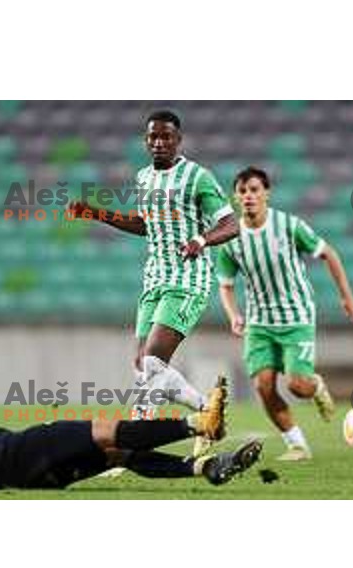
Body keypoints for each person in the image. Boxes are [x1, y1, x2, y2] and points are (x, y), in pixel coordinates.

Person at [69, 109, 239, 455]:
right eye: (153, 137)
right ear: (146, 141)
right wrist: (97, 213)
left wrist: (202, 240)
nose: (159, 142)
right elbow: (145, 224)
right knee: (143, 369)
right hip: (154, 279)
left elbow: (232, 224)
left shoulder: (197, 177)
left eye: (166, 137)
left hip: (188, 278)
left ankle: (133, 446)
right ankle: (206, 409)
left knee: (152, 364)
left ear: (178, 140)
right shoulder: (144, 177)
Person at [0, 352, 262, 492]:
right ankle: (198, 423)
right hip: (14, 452)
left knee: (118, 454)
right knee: (104, 429)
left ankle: (208, 467)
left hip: (20, 479)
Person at [217, 167, 353, 461]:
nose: (248, 196)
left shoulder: (288, 225)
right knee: (263, 386)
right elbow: (226, 285)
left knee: (298, 386)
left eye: (254, 190)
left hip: (296, 317)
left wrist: (346, 296)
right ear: (235, 197)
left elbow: (328, 253)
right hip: (259, 322)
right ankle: (297, 444)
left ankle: (316, 386)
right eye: (243, 191)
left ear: (266, 193)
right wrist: (234, 314)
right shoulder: (230, 238)